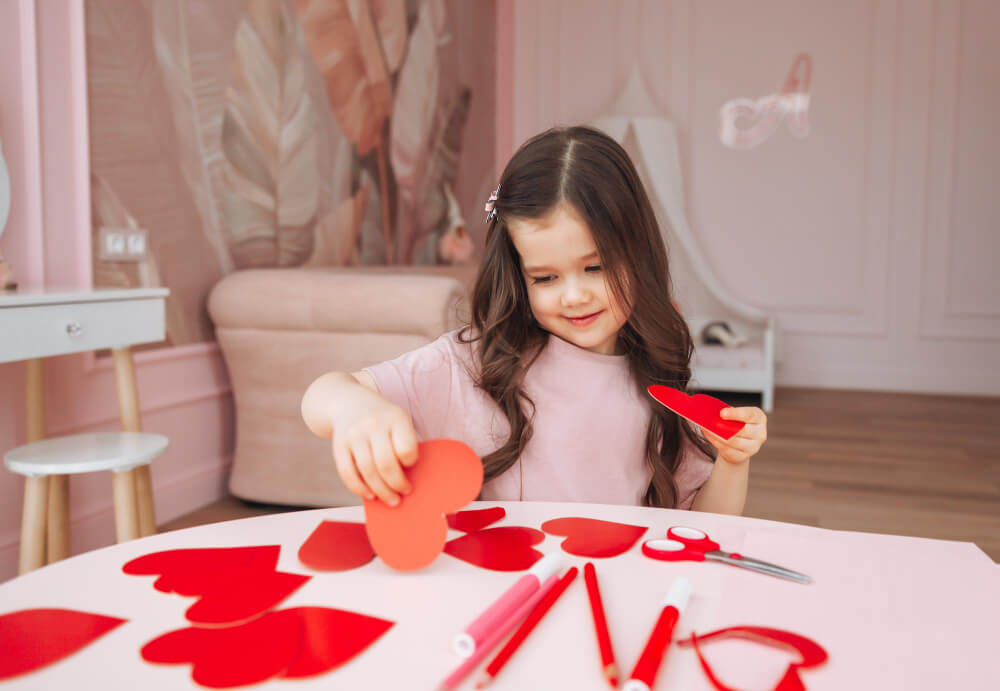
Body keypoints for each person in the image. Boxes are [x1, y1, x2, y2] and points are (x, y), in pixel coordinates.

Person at [301, 126, 767, 513]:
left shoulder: (652, 379)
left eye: (596, 267)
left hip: (615, 586)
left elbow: (706, 524)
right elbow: (325, 393)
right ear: (519, 275)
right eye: (544, 277)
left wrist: (732, 459)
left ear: (637, 252)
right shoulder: (474, 363)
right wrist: (354, 410)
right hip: (509, 590)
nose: (573, 296)